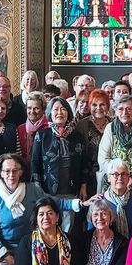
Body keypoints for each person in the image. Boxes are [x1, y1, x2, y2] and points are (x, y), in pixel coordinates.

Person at [0, 154, 90, 265]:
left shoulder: (31, 190)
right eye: (7, 171)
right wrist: (6, 255)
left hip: (32, 247)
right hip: (5, 250)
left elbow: (53, 202)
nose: (11, 174)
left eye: (15, 170)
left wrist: (80, 204)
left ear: (21, 172)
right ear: (0, 173)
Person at [30, 97, 90, 233]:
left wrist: (83, 185)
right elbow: (35, 163)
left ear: (68, 112)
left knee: (68, 228)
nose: (59, 113)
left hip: (71, 188)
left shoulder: (77, 136)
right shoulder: (42, 135)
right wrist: (38, 187)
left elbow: (84, 163)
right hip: (48, 189)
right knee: (49, 226)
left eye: (63, 109)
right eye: (55, 109)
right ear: (50, 113)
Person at [74, 89, 110, 194]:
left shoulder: (114, 124)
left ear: (108, 106)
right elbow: (79, 157)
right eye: (94, 105)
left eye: (102, 104)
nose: (98, 108)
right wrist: (83, 183)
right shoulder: (82, 126)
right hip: (88, 178)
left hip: (110, 177)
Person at [97, 159, 132, 238]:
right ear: (109, 178)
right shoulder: (99, 202)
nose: (120, 177)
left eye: (123, 174)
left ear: (128, 177)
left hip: (131, 248)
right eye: (115, 174)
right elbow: (92, 234)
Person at [18, 92, 48, 161]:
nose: (32, 111)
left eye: (36, 108)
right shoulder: (20, 128)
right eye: (29, 108)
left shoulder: (49, 127)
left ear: (43, 109)